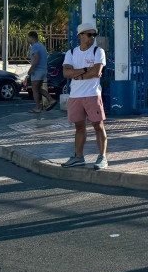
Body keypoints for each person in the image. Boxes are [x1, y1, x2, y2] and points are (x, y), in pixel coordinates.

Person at [61, 22, 108, 170]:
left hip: (92, 94)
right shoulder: (71, 53)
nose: (92, 37)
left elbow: (96, 72)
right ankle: (78, 157)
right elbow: (66, 72)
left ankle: (102, 157)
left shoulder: (98, 51)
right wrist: (86, 69)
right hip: (75, 96)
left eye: (94, 35)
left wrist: (78, 75)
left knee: (98, 125)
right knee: (79, 126)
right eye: (89, 34)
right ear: (80, 36)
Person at [27, 31, 57, 113]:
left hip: (37, 70)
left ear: (31, 38)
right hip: (44, 69)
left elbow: (36, 59)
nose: (28, 40)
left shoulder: (34, 47)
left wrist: (31, 69)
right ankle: (51, 99)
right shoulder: (42, 46)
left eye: (28, 38)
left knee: (34, 89)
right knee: (38, 88)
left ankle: (37, 107)